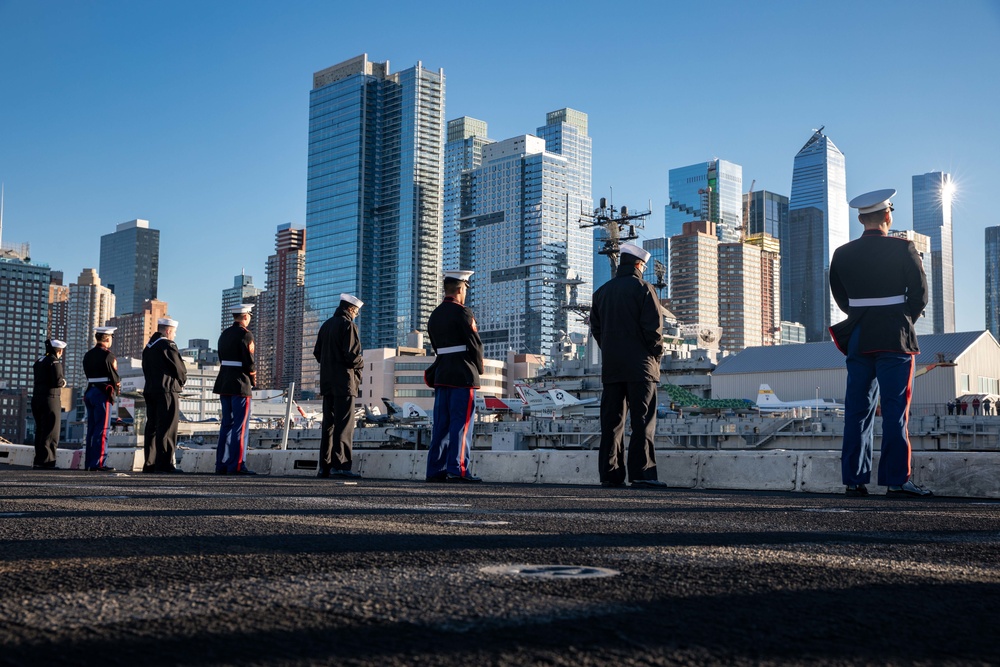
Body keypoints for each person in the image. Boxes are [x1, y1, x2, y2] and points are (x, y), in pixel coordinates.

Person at [830, 188, 932, 498]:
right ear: (887, 216)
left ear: (861, 219)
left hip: (859, 335)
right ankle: (896, 481)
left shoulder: (842, 253)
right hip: (893, 337)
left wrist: (865, 314)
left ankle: (854, 481)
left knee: (857, 411)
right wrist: (900, 319)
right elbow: (920, 295)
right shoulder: (904, 249)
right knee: (894, 410)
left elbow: (841, 297)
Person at [590, 242, 665, 488]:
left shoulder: (601, 292)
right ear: (638, 264)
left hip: (612, 368)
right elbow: (654, 331)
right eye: (643, 265)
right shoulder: (644, 288)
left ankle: (610, 475)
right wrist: (656, 356)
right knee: (642, 421)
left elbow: (597, 330)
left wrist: (612, 351)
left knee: (612, 423)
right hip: (641, 367)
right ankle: (642, 474)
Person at [424, 270, 484, 483]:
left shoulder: (435, 314)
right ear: (461, 289)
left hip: (442, 374)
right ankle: (458, 469)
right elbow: (475, 345)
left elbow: (435, 345)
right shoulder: (463, 312)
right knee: (461, 424)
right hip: (462, 375)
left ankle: (435, 470)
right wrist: (479, 369)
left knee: (441, 425)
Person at [313, 293, 364, 479]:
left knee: (328, 425)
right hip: (345, 383)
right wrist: (362, 363)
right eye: (356, 312)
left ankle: (324, 467)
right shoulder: (348, 325)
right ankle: (341, 466)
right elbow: (352, 356)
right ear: (351, 309)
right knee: (344, 425)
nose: (356, 315)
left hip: (327, 382)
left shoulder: (326, 325)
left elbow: (317, 352)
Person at [214, 304, 257, 475]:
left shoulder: (224, 334)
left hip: (224, 382)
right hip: (240, 383)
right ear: (245, 316)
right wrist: (253, 378)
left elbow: (221, 357)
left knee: (226, 425)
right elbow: (250, 362)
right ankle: (237, 465)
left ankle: (222, 464)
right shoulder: (246, 335)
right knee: (240, 426)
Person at [141, 317, 188, 473]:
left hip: (150, 390)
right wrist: (182, 381)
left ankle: (150, 463)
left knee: (152, 427)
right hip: (167, 390)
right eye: (174, 332)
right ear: (168, 331)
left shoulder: (148, 347)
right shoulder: (167, 344)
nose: (174, 335)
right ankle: (164, 464)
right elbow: (179, 368)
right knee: (167, 427)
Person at [82, 326, 121, 472]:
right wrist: (115, 392)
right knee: (103, 429)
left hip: (90, 391)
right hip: (102, 393)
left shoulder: (88, 355)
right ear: (107, 338)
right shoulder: (108, 356)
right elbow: (115, 378)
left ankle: (89, 463)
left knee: (91, 429)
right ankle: (99, 463)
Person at [32, 339, 67, 469]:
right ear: (59, 350)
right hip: (50, 399)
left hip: (36, 398)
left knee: (40, 430)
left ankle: (39, 460)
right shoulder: (54, 361)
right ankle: (48, 461)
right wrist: (63, 382)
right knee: (51, 431)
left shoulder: (39, 361)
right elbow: (58, 381)